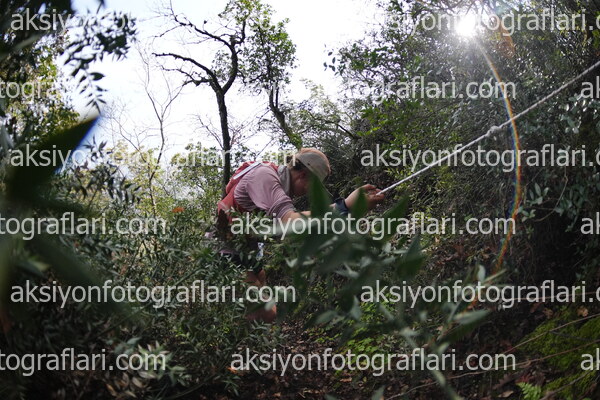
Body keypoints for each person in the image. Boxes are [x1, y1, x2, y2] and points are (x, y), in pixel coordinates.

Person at [216, 148, 385, 322]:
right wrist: (344, 206)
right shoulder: (264, 177)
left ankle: (242, 331)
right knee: (267, 312)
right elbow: (289, 221)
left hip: (246, 250)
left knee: (256, 304)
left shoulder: (279, 183)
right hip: (225, 250)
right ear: (303, 175)